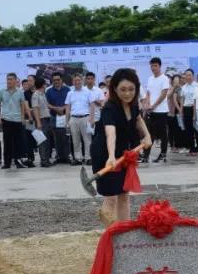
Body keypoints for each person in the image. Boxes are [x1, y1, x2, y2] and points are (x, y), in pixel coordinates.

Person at [90, 68, 152, 226]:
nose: (127, 94)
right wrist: (111, 157)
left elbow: (138, 119)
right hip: (105, 154)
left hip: (124, 153)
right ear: (115, 89)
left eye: (131, 89)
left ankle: (125, 230)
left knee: (124, 193)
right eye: (123, 89)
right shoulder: (109, 108)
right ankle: (110, 234)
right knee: (111, 196)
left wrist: (147, 135)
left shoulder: (133, 105)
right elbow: (111, 133)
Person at [0, 73, 29, 169]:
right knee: (7, 142)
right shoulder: (2, 91)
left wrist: (23, 117)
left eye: (11, 79)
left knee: (18, 142)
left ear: (15, 81)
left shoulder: (20, 92)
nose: (9, 81)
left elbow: (22, 105)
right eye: (8, 79)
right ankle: (7, 163)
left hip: (18, 120)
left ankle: (18, 161)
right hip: (6, 120)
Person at [142, 57, 171, 163]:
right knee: (149, 134)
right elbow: (148, 93)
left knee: (163, 134)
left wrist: (154, 105)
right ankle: (146, 156)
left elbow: (164, 94)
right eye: (152, 65)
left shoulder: (164, 79)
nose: (153, 68)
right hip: (151, 111)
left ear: (159, 66)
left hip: (161, 111)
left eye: (155, 65)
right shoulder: (150, 79)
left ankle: (163, 154)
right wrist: (148, 104)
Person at [66, 73, 94, 165]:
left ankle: (88, 158)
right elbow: (68, 107)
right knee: (75, 140)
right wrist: (67, 121)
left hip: (85, 118)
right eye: (75, 80)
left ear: (82, 81)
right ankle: (78, 158)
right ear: (73, 82)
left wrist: (92, 119)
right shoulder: (70, 93)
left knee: (87, 139)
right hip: (73, 119)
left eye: (79, 80)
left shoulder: (87, 92)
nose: (77, 82)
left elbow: (92, 106)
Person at [29, 77, 52, 168]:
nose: (46, 85)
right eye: (45, 84)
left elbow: (47, 106)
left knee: (47, 141)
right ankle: (43, 161)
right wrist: (38, 122)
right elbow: (35, 108)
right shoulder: (36, 95)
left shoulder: (43, 94)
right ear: (43, 85)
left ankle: (46, 159)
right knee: (42, 141)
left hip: (46, 119)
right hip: (41, 120)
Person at [179, 69, 198, 155]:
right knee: (188, 130)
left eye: (190, 75)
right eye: (186, 75)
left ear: (193, 76)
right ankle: (191, 148)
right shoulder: (183, 87)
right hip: (186, 108)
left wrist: (195, 113)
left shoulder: (197, 86)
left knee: (197, 129)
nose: (188, 77)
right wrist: (181, 111)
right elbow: (182, 100)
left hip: (195, 108)